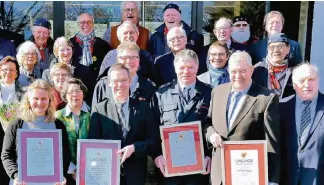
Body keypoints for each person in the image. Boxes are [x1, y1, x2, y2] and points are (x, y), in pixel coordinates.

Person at [202, 51, 280, 185]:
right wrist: (211, 135)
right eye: (233, 71)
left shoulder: (266, 98)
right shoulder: (217, 92)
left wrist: (272, 180)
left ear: (251, 70)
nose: (238, 76)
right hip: (218, 175)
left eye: (243, 71)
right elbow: (207, 123)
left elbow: (271, 143)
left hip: (248, 175)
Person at [279, 63, 324, 185]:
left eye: (311, 79)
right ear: (294, 84)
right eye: (302, 80)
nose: (307, 84)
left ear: (318, 80)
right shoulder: (281, 106)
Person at [88, 64, 159, 185]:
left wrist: (135, 147)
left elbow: (154, 141)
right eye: (115, 81)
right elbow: (92, 144)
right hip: (107, 175)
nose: (120, 85)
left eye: (124, 80)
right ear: (109, 83)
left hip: (136, 175)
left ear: (130, 81)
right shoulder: (99, 110)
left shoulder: (144, 108)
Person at [152, 49, 212, 185]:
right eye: (182, 67)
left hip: (199, 166)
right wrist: (156, 154)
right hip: (168, 165)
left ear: (197, 67)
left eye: (190, 67)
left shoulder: (210, 93)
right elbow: (152, 128)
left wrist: (209, 155)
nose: (186, 71)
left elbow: (214, 125)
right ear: (175, 68)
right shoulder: (161, 94)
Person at [1, 79, 69, 185]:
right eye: (35, 98)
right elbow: (6, 155)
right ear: (28, 100)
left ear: (49, 100)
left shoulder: (58, 125)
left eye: (44, 99)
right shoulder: (16, 124)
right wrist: (16, 175)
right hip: (23, 182)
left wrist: (61, 175)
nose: (40, 102)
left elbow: (65, 155)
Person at [92, 42, 156, 108]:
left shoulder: (149, 87)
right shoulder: (103, 85)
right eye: (123, 58)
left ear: (139, 60)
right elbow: (95, 113)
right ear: (117, 60)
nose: (128, 61)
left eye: (133, 57)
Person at [55, 78, 91, 185]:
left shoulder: (93, 115)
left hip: (89, 171)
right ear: (65, 95)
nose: (74, 94)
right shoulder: (57, 117)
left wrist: (83, 169)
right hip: (64, 172)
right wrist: (73, 169)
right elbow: (56, 147)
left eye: (78, 91)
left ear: (83, 93)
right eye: (70, 92)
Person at [42, 37, 95, 104]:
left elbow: (90, 93)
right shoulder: (47, 74)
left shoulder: (84, 70)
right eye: (62, 50)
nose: (66, 52)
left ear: (72, 51)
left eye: (68, 49)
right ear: (56, 52)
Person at [252, 33, 295, 99]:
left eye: (280, 46)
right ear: (267, 50)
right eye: (272, 47)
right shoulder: (257, 70)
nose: (276, 50)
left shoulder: (295, 71)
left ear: (288, 49)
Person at [0, 56, 25, 131]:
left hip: (18, 132)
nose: (8, 72)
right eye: (5, 70)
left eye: (12, 70)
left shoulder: (25, 93)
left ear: (16, 74)